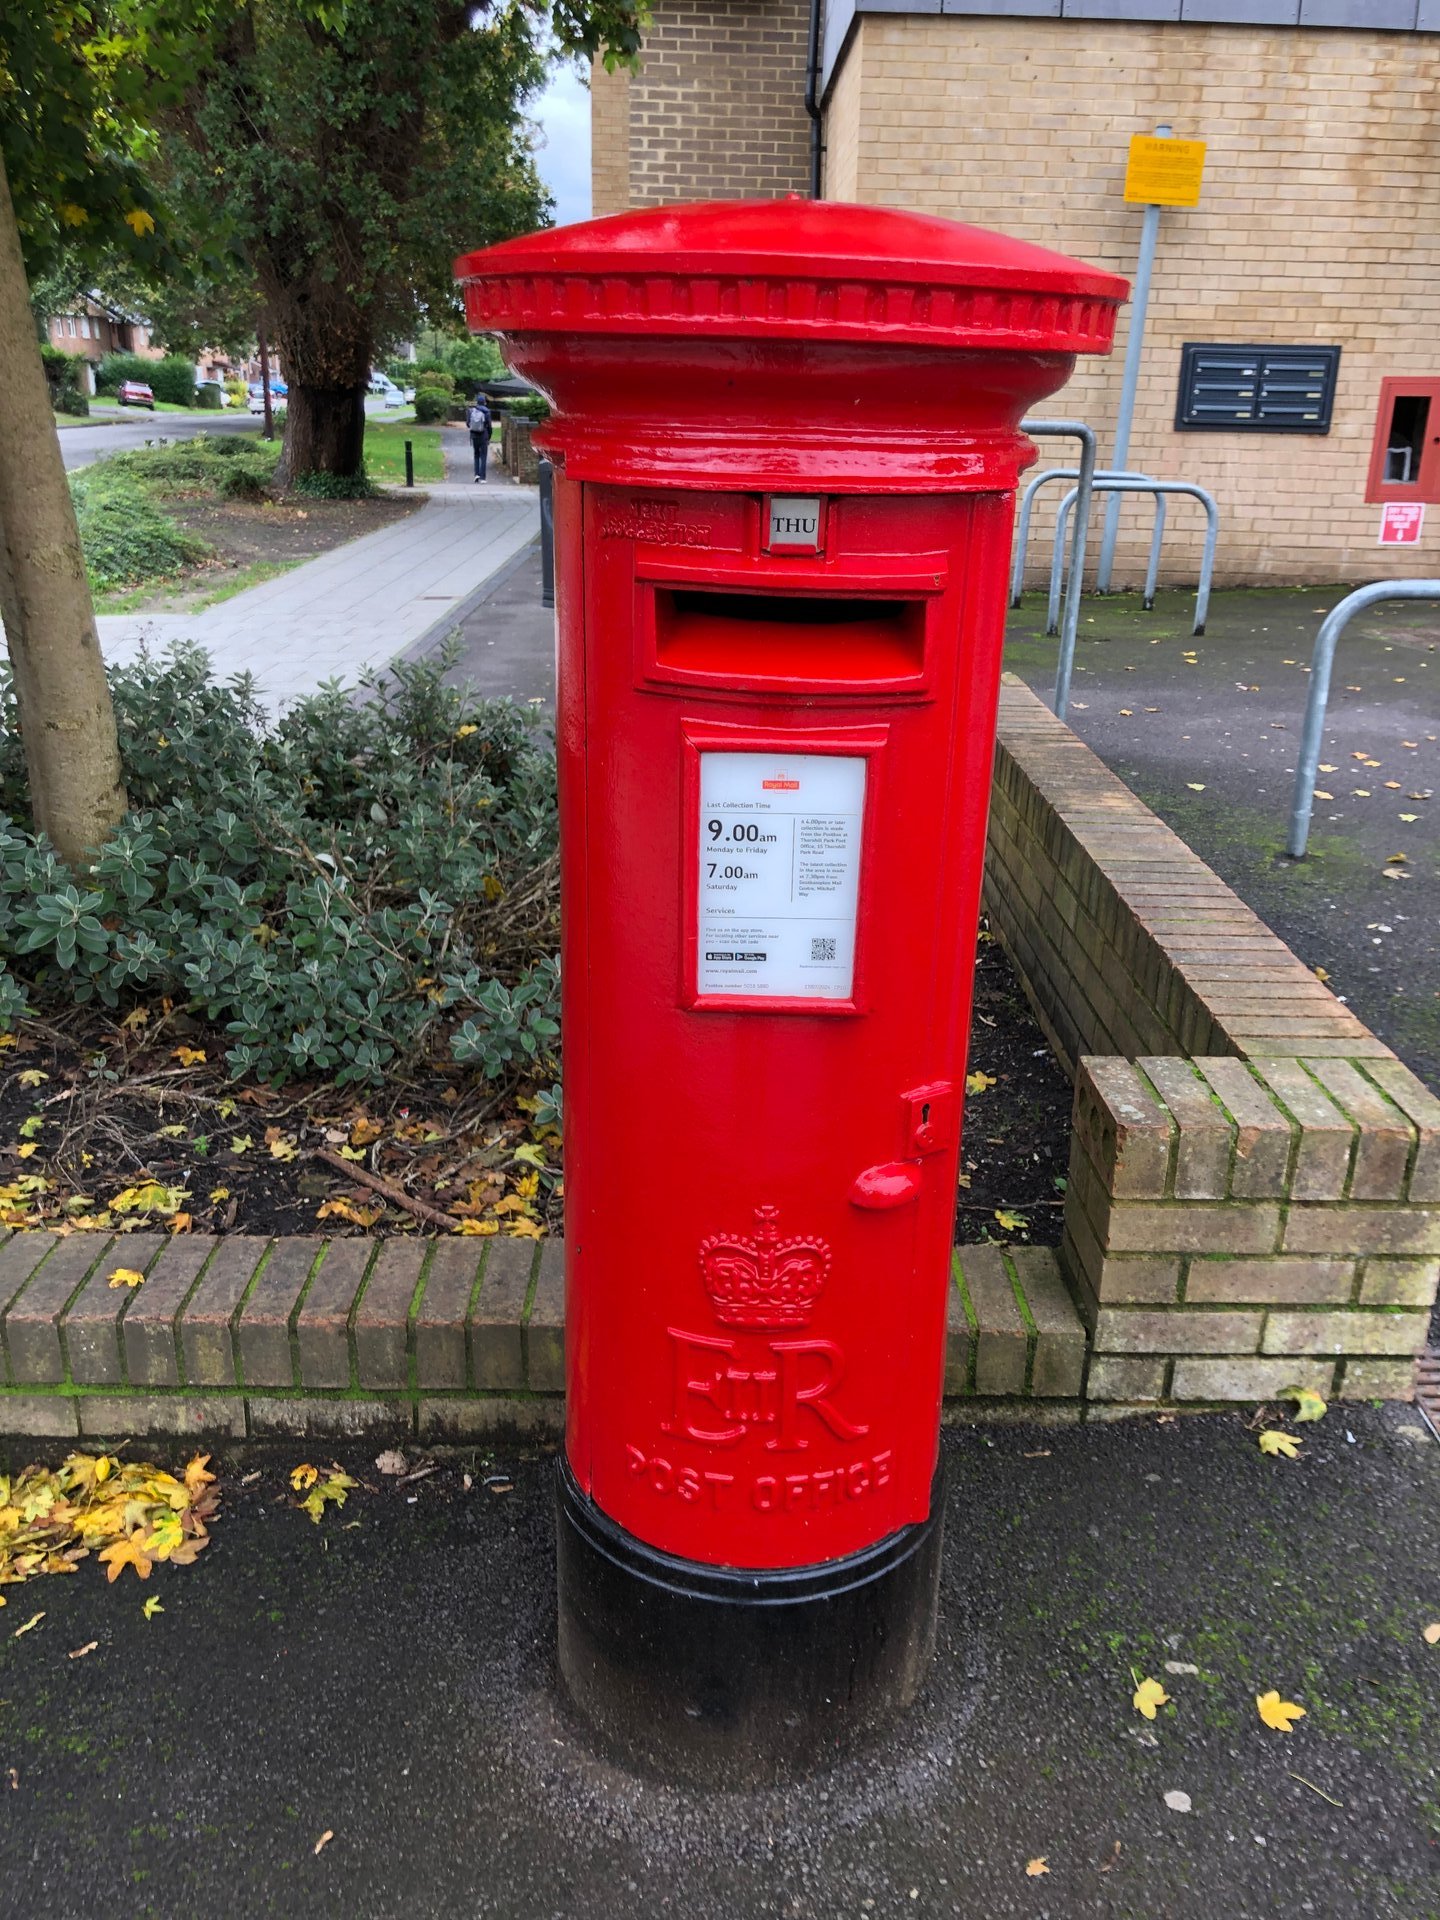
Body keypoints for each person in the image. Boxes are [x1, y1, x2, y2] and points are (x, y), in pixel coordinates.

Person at [467, 392, 492, 481]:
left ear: (477, 402)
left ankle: (476, 475)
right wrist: (489, 437)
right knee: (483, 456)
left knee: (476, 455)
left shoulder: (472, 411)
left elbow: (468, 424)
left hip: (474, 435)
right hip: (484, 435)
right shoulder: (487, 412)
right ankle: (483, 477)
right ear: (484, 402)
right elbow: (489, 426)